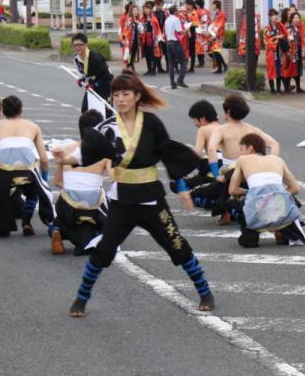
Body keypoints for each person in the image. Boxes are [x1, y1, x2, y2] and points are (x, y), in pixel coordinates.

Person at [70, 71, 213, 315]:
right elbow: (88, 149)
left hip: (151, 199)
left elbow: (168, 153)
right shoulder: (109, 127)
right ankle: (81, 299)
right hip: (122, 201)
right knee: (104, 250)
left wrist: (182, 190)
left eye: (126, 94)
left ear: (137, 96)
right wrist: (68, 157)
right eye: (116, 94)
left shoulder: (151, 123)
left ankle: (205, 292)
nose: (120, 99)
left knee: (176, 244)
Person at [0, 95, 51, 238]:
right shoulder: (33, 126)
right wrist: (43, 180)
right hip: (27, 168)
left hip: (3, 170)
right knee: (33, 191)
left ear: (3, 111)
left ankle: (3, 225)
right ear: (21, 109)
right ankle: (26, 222)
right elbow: (44, 160)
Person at [49, 111, 111, 256]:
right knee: (107, 225)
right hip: (93, 203)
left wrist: (74, 187)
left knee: (60, 219)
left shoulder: (66, 150)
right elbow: (116, 177)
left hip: (69, 203)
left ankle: (56, 229)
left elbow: (57, 182)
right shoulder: (105, 153)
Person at [228, 132, 305, 248]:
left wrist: (249, 193)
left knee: (233, 201)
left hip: (256, 208)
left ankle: (251, 234)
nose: (241, 153)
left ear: (250, 148)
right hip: (281, 207)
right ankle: (283, 229)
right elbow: (295, 189)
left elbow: (232, 190)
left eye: (241, 149)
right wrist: (276, 194)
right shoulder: (278, 160)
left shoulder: (243, 160)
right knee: (288, 198)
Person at [70, 32, 114, 106]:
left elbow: (108, 76)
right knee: (85, 109)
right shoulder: (76, 58)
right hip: (91, 87)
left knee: (105, 112)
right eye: (75, 45)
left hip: (104, 87)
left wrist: (95, 85)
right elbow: (82, 72)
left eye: (80, 45)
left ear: (86, 44)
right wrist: (81, 79)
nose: (77, 48)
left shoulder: (96, 58)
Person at [162, 6, 187, 88]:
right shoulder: (176, 19)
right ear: (175, 11)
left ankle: (172, 83)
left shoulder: (167, 20)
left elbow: (166, 31)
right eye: (177, 10)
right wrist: (187, 29)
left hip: (168, 42)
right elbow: (179, 31)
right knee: (183, 62)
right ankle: (180, 80)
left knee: (171, 64)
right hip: (175, 43)